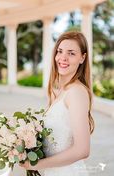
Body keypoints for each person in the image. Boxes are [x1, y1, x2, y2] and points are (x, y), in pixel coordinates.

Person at [20, 31, 94, 176]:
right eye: (60, 51)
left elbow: (82, 150)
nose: (63, 58)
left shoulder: (76, 92)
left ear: (82, 58)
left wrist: (37, 164)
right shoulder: (60, 92)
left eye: (71, 53)